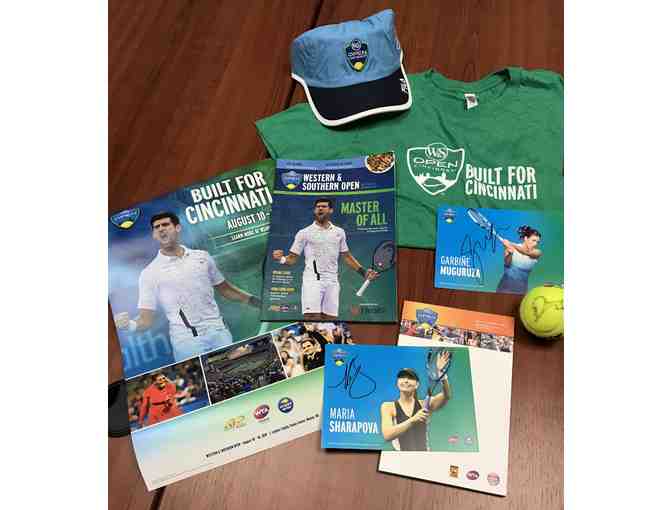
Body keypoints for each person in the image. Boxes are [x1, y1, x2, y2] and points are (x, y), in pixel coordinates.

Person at [113, 212, 262, 361]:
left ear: (177, 228)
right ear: (154, 235)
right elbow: (146, 320)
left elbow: (226, 289)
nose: (161, 229)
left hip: (220, 332)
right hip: (187, 342)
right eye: (156, 227)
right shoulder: (149, 273)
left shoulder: (202, 257)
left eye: (165, 225)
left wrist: (260, 303)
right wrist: (129, 325)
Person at [272, 198, 378, 320]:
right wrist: (281, 259)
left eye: (324, 206)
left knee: (330, 318)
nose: (320, 208)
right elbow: (292, 259)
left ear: (331, 210)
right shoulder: (304, 233)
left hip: (332, 281)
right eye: (318, 207)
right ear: (315, 210)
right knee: (312, 317)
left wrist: (364, 272)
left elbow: (347, 256)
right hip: (312, 280)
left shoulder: (339, 232)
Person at [380, 353, 452, 452]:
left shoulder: (425, 404)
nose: (406, 380)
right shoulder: (388, 407)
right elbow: (387, 435)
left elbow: (446, 395)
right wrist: (413, 420)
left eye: (410, 378)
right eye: (402, 377)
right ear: (397, 383)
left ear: (417, 385)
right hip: (401, 457)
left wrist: (441, 373)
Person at [496, 225, 543, 294]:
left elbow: (526, 252)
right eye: (533, 240)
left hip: (521, 291)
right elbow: (507, 264)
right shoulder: (511, 247)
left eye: (537, 242)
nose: (535, 244)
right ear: (526, 238)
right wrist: (510, 253)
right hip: (504, 289)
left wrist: (510, 243)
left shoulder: (537, 252)